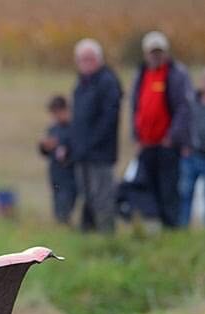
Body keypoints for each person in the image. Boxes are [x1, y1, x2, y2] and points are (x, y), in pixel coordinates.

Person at [131, 31, 194, 229]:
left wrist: (172, 137)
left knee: (169, 189)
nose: (155, 56)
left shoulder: (176, 74)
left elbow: (184, 108)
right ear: (145, 53)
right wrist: (136, 135)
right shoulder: (141, 74)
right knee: (149, 188)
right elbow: (135, 107)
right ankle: (154, 228)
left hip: (167, 144)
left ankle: (173, 228)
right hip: (147, 143)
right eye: (152, 52)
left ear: (166, 52)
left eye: (159, 52)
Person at [70, 38, 122, 233]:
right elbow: (77, 119)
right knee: (88, 196)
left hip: (100, 153)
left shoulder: (107, 81)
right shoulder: (81, 83)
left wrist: (91, 144)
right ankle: (90, 236)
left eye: (89, 59)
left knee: (103, 197)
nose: (86, 63)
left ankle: (107, 237)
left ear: (99, 59)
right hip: (82, 153)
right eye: (82, 59)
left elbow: (109, 118)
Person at [38, 95, 77, 224]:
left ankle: (64, 224)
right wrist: (44, 146)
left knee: (65, 204)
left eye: (58, 112)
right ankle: (60, 224)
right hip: (56, 174)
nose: (56, 116)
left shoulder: (74, 129)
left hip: (69, 175)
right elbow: (45, 152)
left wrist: (66, 149)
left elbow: (78, 150)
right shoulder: (54, 129)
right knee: (57, 204)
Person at [178, 69, 205, 227]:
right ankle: (183, 228)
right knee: (185, 192)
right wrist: (184, 145)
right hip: (191, 154)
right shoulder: (190, 102)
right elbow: (182, 125)